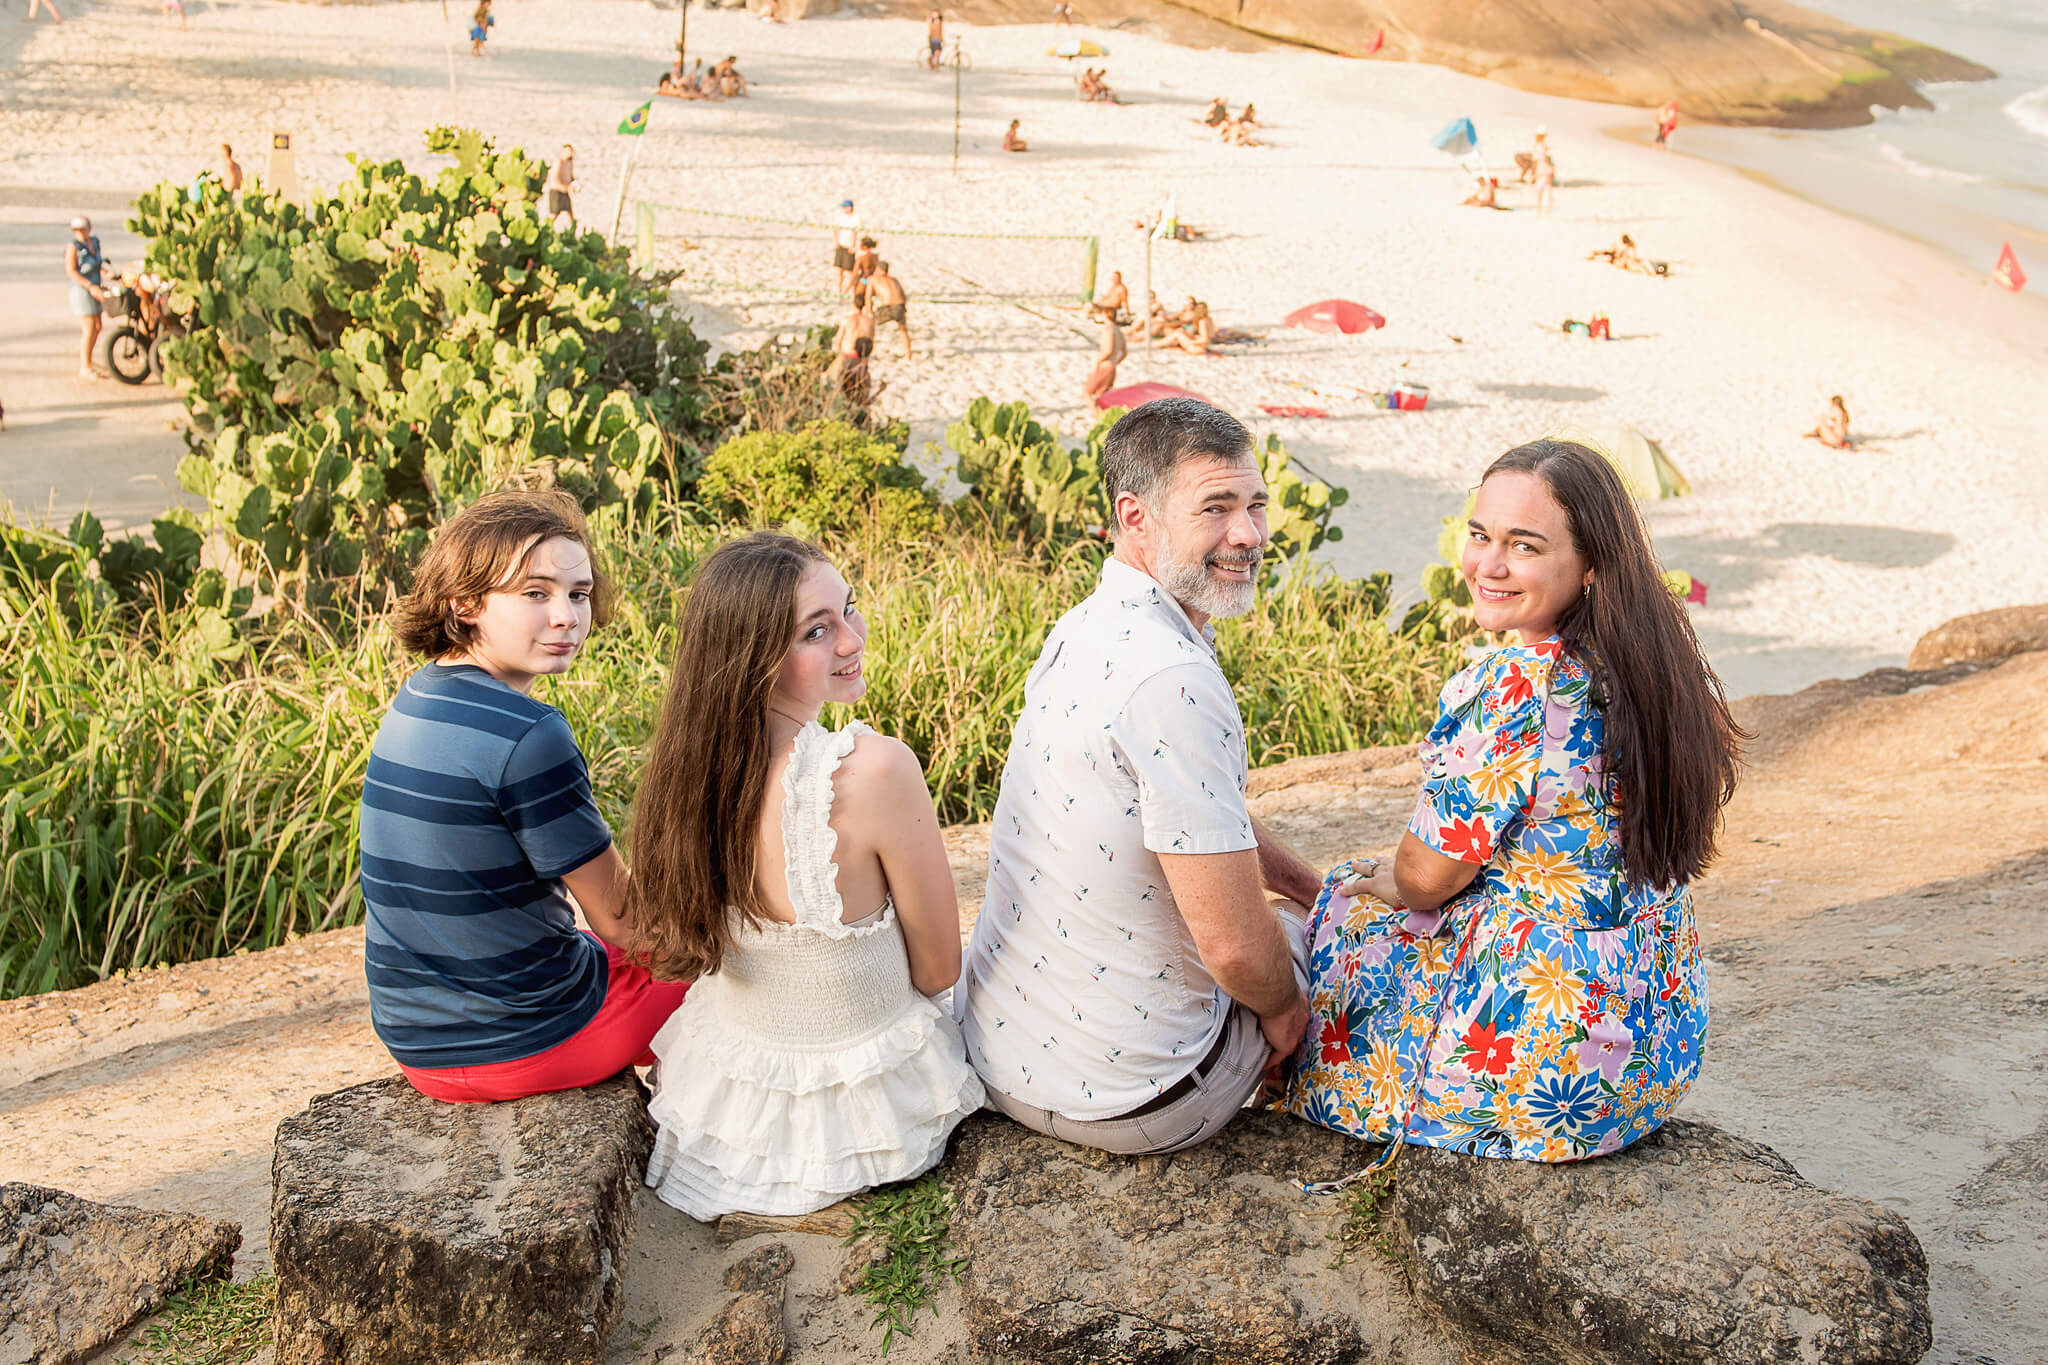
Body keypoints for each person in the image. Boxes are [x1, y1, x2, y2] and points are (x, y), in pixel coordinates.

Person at [1281, 439, 1742, 1162]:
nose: (1488, 566)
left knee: (1327, 908)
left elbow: (1431, 873)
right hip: (1650, 1056)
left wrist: (1384, 883)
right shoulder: (1651, 667)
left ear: (1589, 565)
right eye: (1479, 535)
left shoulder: (1516, 689)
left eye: (1522, 546)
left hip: (1543, 1078)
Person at [957, 398, 1322, 1155]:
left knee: (1317, 907)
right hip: (1141, 1099)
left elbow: (1194, 812)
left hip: (1002, 1057)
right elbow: (1232, 948)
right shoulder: (1172, 677)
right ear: (1137, 516)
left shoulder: (1085, 627)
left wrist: (1310, 883)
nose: (1248, 534)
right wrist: (1285, 1007)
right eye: (1216, 508)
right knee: (1335, 944)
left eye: (1256, 505)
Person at [631, 533, 984, 1219]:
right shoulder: (875, 769)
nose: (852, 640)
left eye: (849, 610)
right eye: (816, 631)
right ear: (751, 658)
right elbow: (940, 969)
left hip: (726, 1100)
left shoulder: (689, 774)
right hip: (867, 1113)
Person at [359, 490, 692, 1103]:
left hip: (420, 1039)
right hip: (526, 1042)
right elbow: (621, 920)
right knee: (732, 963)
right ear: (465, 602)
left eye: (578, 593)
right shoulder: (529, 735)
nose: (566, 616)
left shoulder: (419, 696)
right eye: (535, 594)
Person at [64, 216, 106, 381]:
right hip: (82, 290)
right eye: (76, 230)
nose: (79, 233)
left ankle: (88, 358)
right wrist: (89, 286)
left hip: (96, 286)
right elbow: (71, 271)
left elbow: (98, 263)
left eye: (82, 229)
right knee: (88, 328)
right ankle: (85, 366)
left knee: (98, 326)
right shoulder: (73, 247)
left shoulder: (94, 242)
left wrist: (107, 273)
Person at [869, 260, 913, 361]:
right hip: (900, 306)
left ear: (879, 269)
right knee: (903, 330)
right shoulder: (894, 280)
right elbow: (903, 296)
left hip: (889, 307)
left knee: (871, 325)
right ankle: (908, 354)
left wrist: (869, 311)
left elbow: (868, 297)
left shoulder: (873, 279)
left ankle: (868, 351)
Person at [1083, 311, 1125, 400]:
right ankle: (1099, 413)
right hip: (1112, 366)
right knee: (1102, 395)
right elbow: (1124, 352)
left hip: (1104, 366)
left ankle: (1095, 413)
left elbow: (1108, 350)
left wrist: (1098, 362)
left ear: (1105, 315)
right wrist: (1115, 363)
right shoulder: (1119, 330)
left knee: (1087, 393)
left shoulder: (1108, 330)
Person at [830, 198, 860, 295]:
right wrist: (836, 241)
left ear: (850, 207)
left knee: (850, 270)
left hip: (849, 246)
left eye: (845, 207)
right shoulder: (840, 217)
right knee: (839, 270)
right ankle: (839, 289)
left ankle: (851, 289)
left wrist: (853, 245)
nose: (844, 209)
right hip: (841, 245)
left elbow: (856, 233)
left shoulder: (855, 218)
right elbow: (835, 229)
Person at [545, 145, 575, 226]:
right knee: (555, 214)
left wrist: (573, 185)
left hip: (565, 190)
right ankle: (547, 228)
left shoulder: (570, 162)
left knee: (570, 213)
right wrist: (565, 187)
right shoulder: (558, 162)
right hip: (557, 190)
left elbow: (570, 176)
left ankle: (572, 231)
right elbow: (555, 179)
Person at [1534, 143, 1556, 216]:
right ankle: (1540, 212)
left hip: (1545, 178)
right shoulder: (1539, 161)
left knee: (1547, 197)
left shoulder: (1548, 160)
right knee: (1540, 197)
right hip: (1541, 178)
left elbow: (1552, 171)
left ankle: (1547, 213)